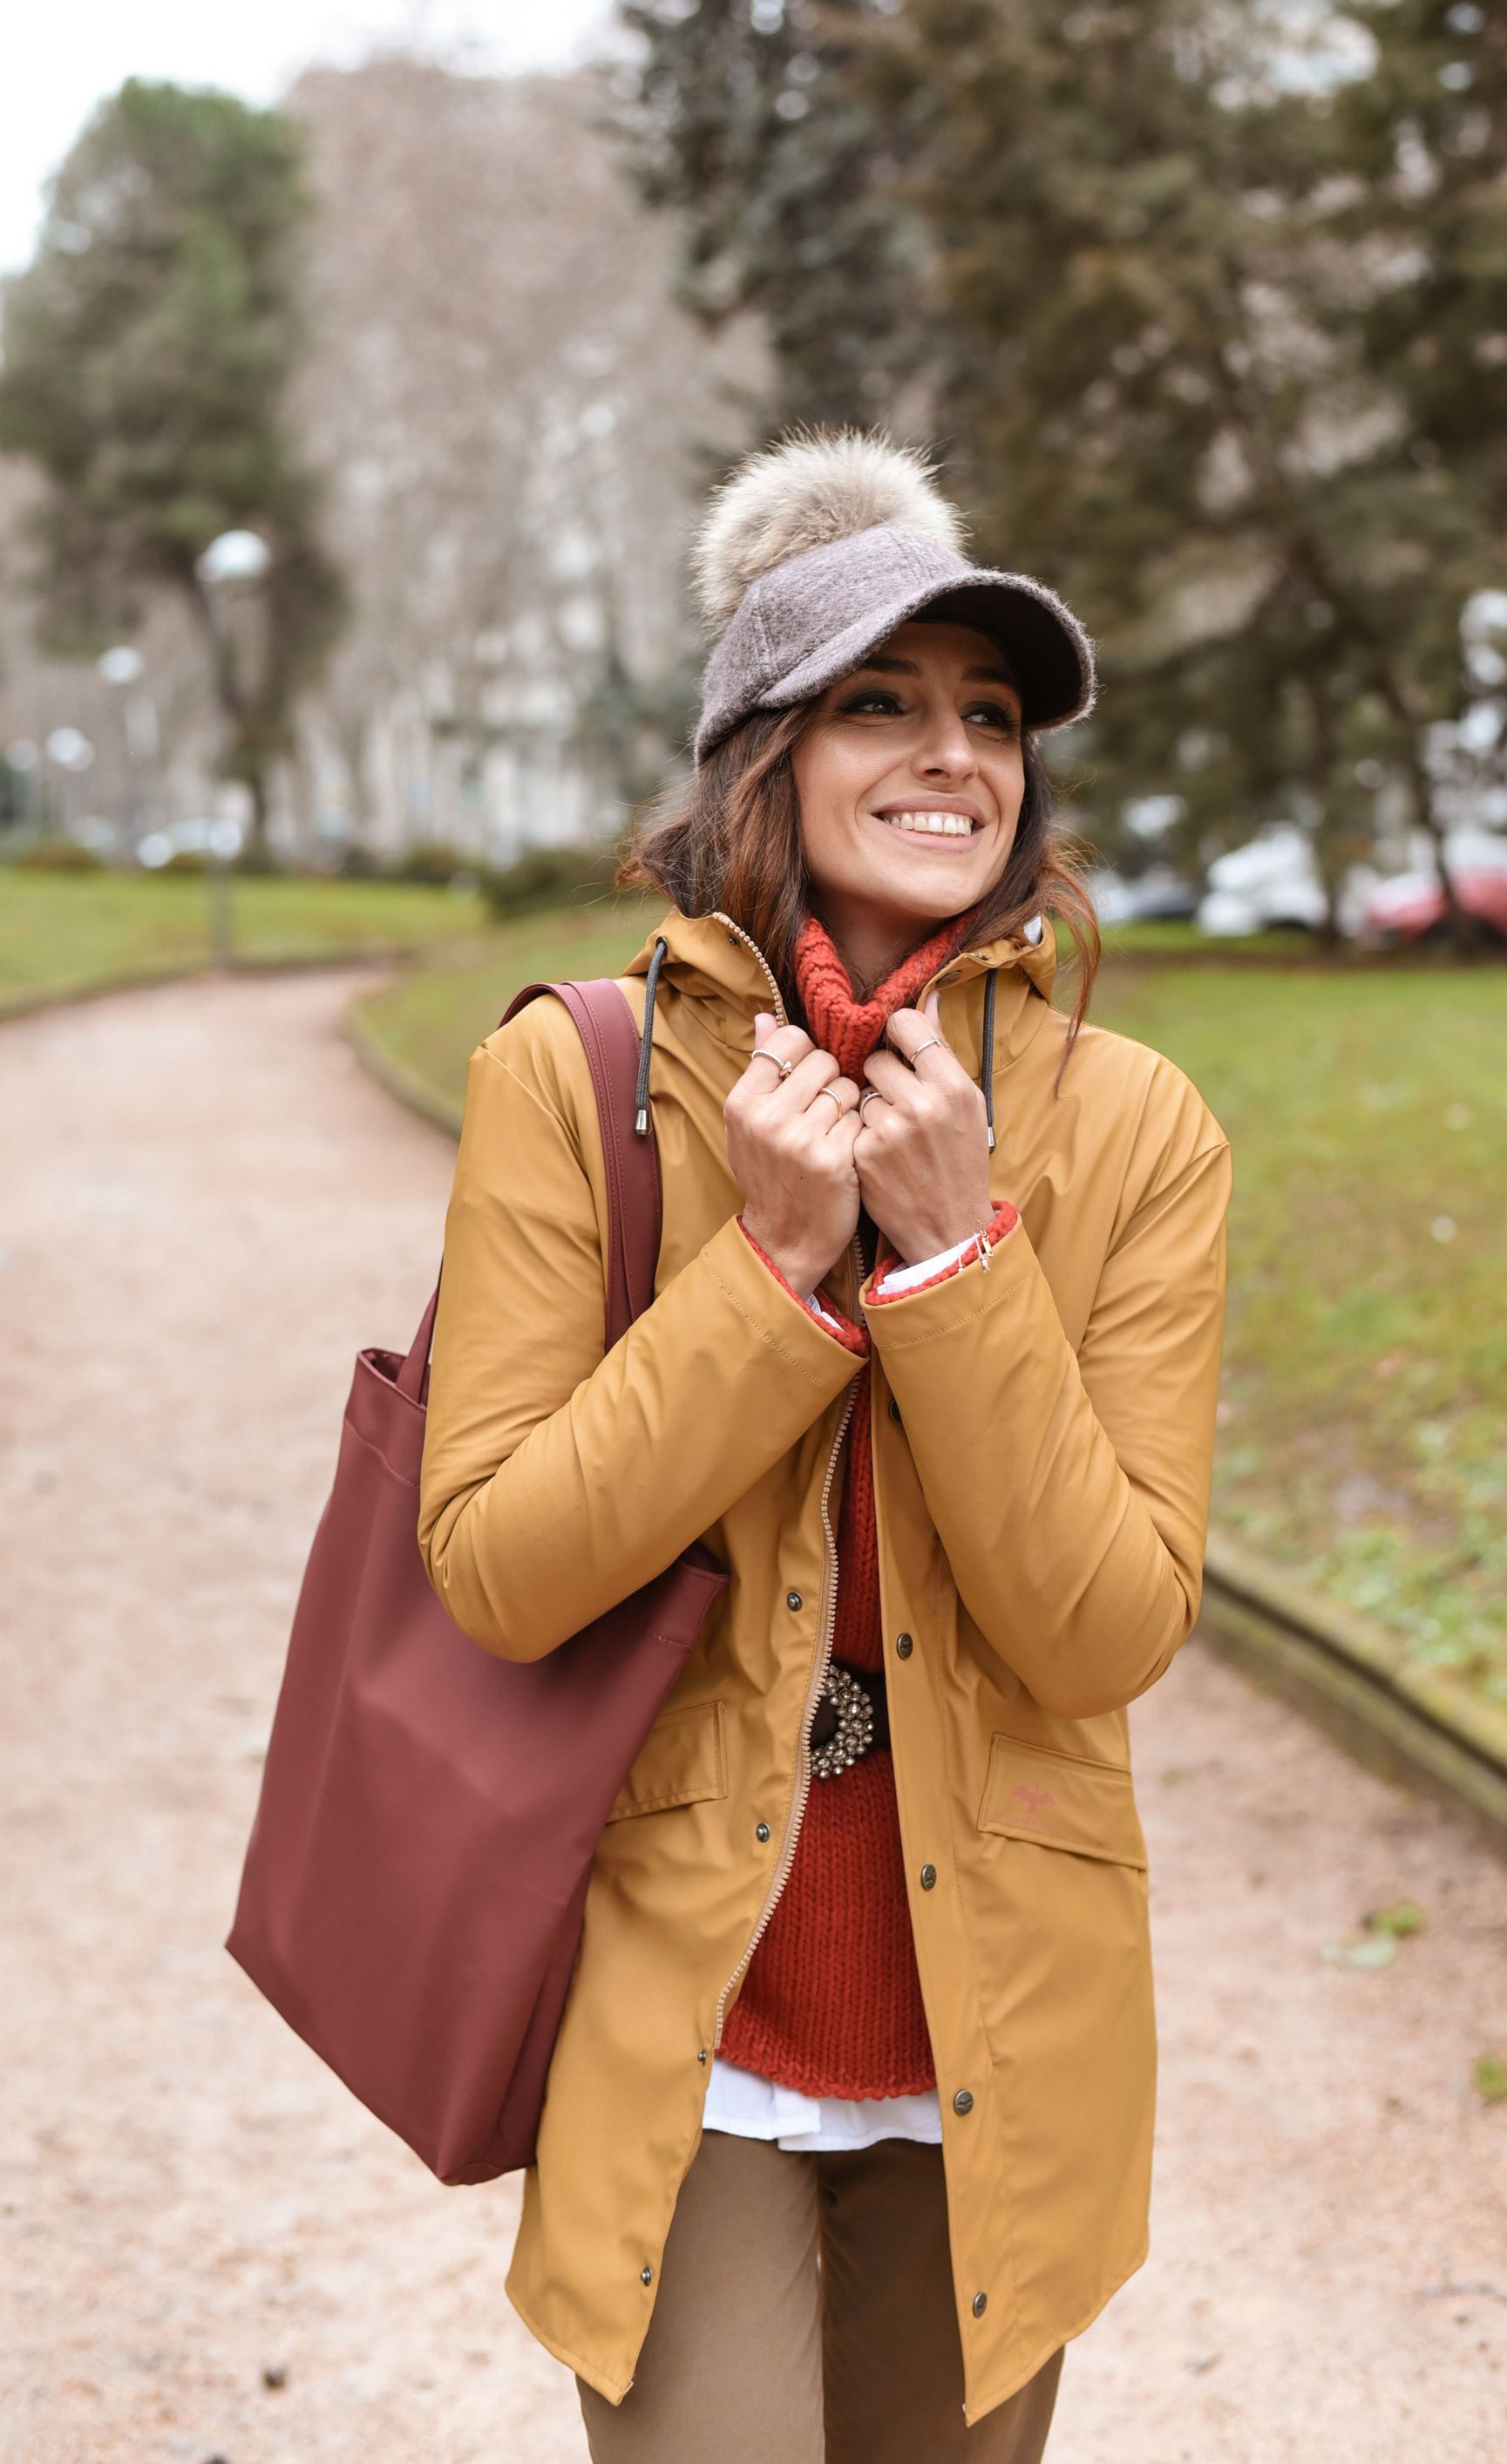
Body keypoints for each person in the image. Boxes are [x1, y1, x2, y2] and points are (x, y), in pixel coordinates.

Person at [419, 431, 1230, 2464]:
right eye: (880, 700)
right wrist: (776, 1278)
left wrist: (955, 1256)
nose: (952, 752)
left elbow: (1100, 1624)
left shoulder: (1133, 1130)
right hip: (685, 1993)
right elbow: (501, 1560)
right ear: (760, 753)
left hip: (1001, 2015)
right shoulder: (578, 1079)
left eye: (988, 713)